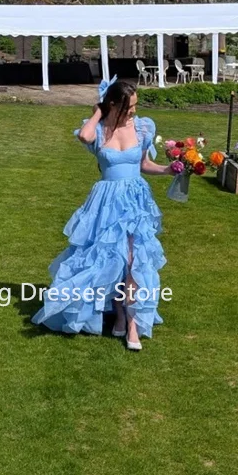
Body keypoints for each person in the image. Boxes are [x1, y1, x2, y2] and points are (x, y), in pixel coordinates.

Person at [32, 78, 174, 350]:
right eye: (128, 106)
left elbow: (144, 164)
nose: (133, 110)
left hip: (135, 201)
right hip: (106, 203)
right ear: (113, 105)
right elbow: (84, 136)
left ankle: (132, 324)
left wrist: (168, 170)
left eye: (135, 105)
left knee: (133, 261)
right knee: (111, 260)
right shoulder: (98, 129)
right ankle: (119, 315)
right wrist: (99, 110)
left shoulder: (143, 127)